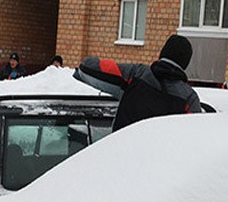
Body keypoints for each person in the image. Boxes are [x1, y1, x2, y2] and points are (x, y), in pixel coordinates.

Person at [73, 34, 202, 131]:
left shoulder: (136, 74)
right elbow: (193, 138)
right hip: (162, 164)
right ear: (185, 64)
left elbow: (88, 68)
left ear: (162, 53)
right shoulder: (189, 99)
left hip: (119, 158)